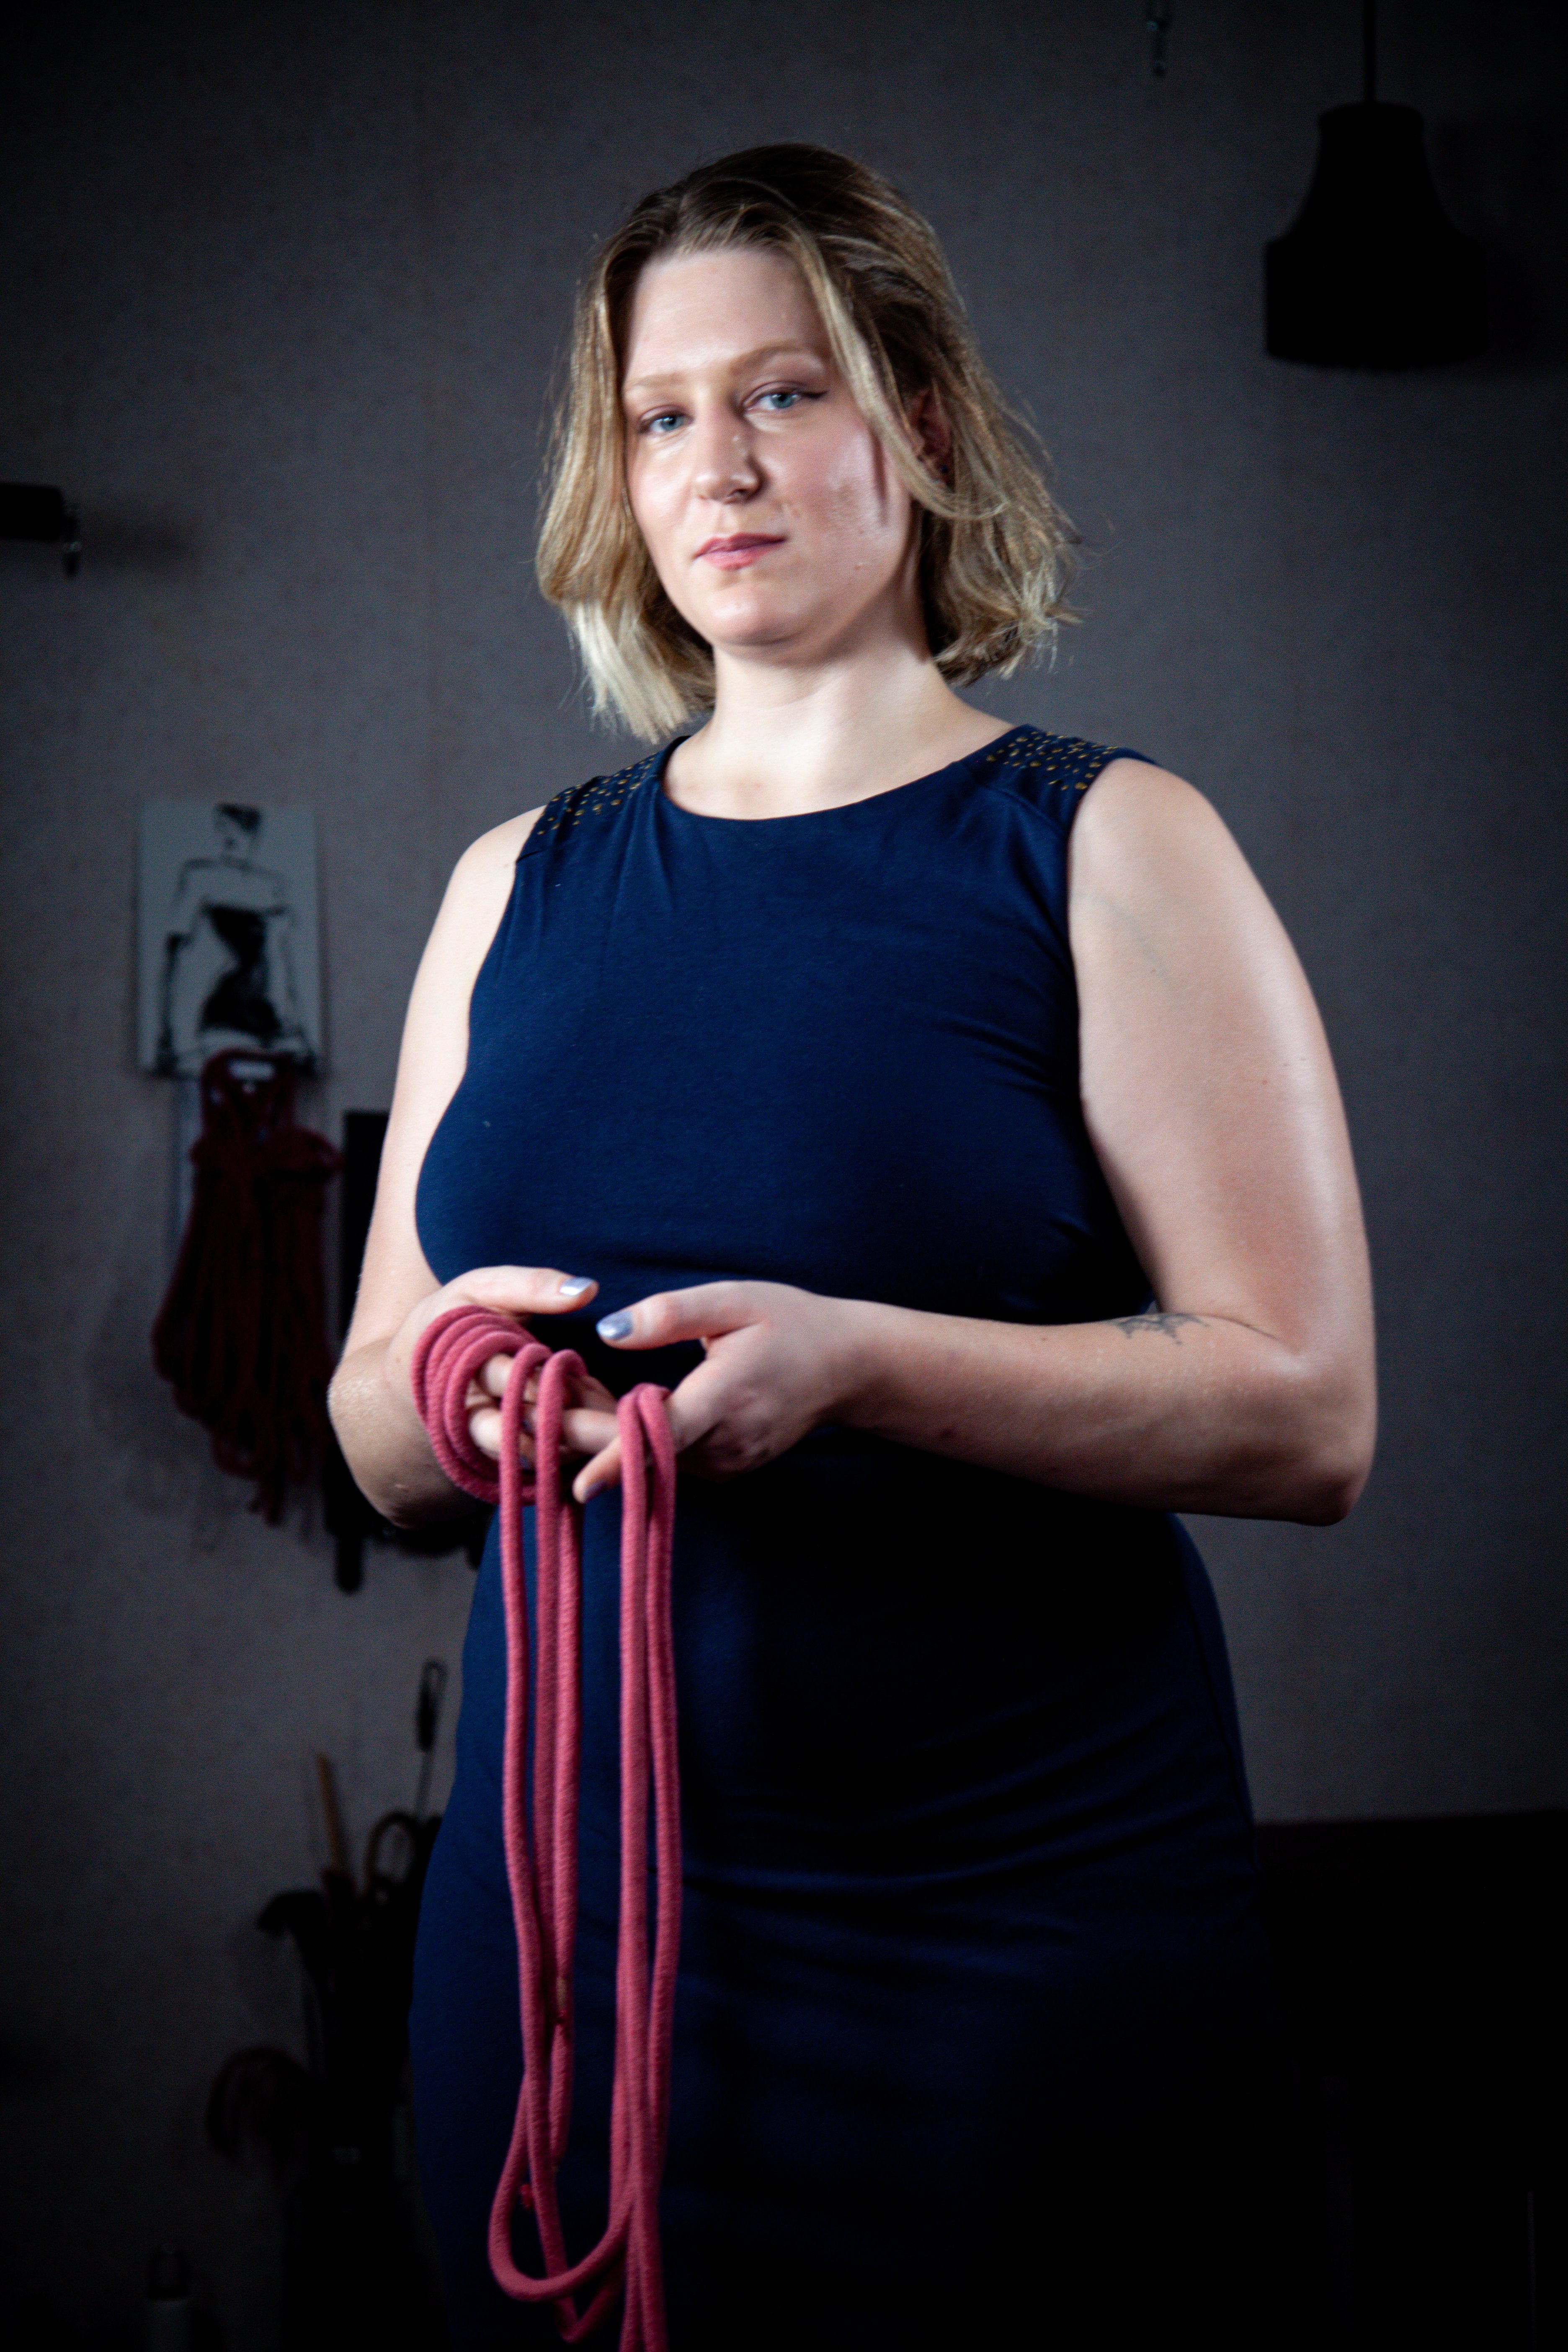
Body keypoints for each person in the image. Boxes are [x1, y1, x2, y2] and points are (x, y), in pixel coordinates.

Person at [329, 144, 1375, 2351]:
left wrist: (863, 1366)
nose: (718, 463)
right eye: (662, 413)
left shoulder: (1107, 845)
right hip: (570, 1961)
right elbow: (373, 1420)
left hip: (1014, 1952)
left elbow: (1306, 1412)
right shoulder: (509, 886)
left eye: (784, 392)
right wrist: (454, 1391)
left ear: (921, 423)